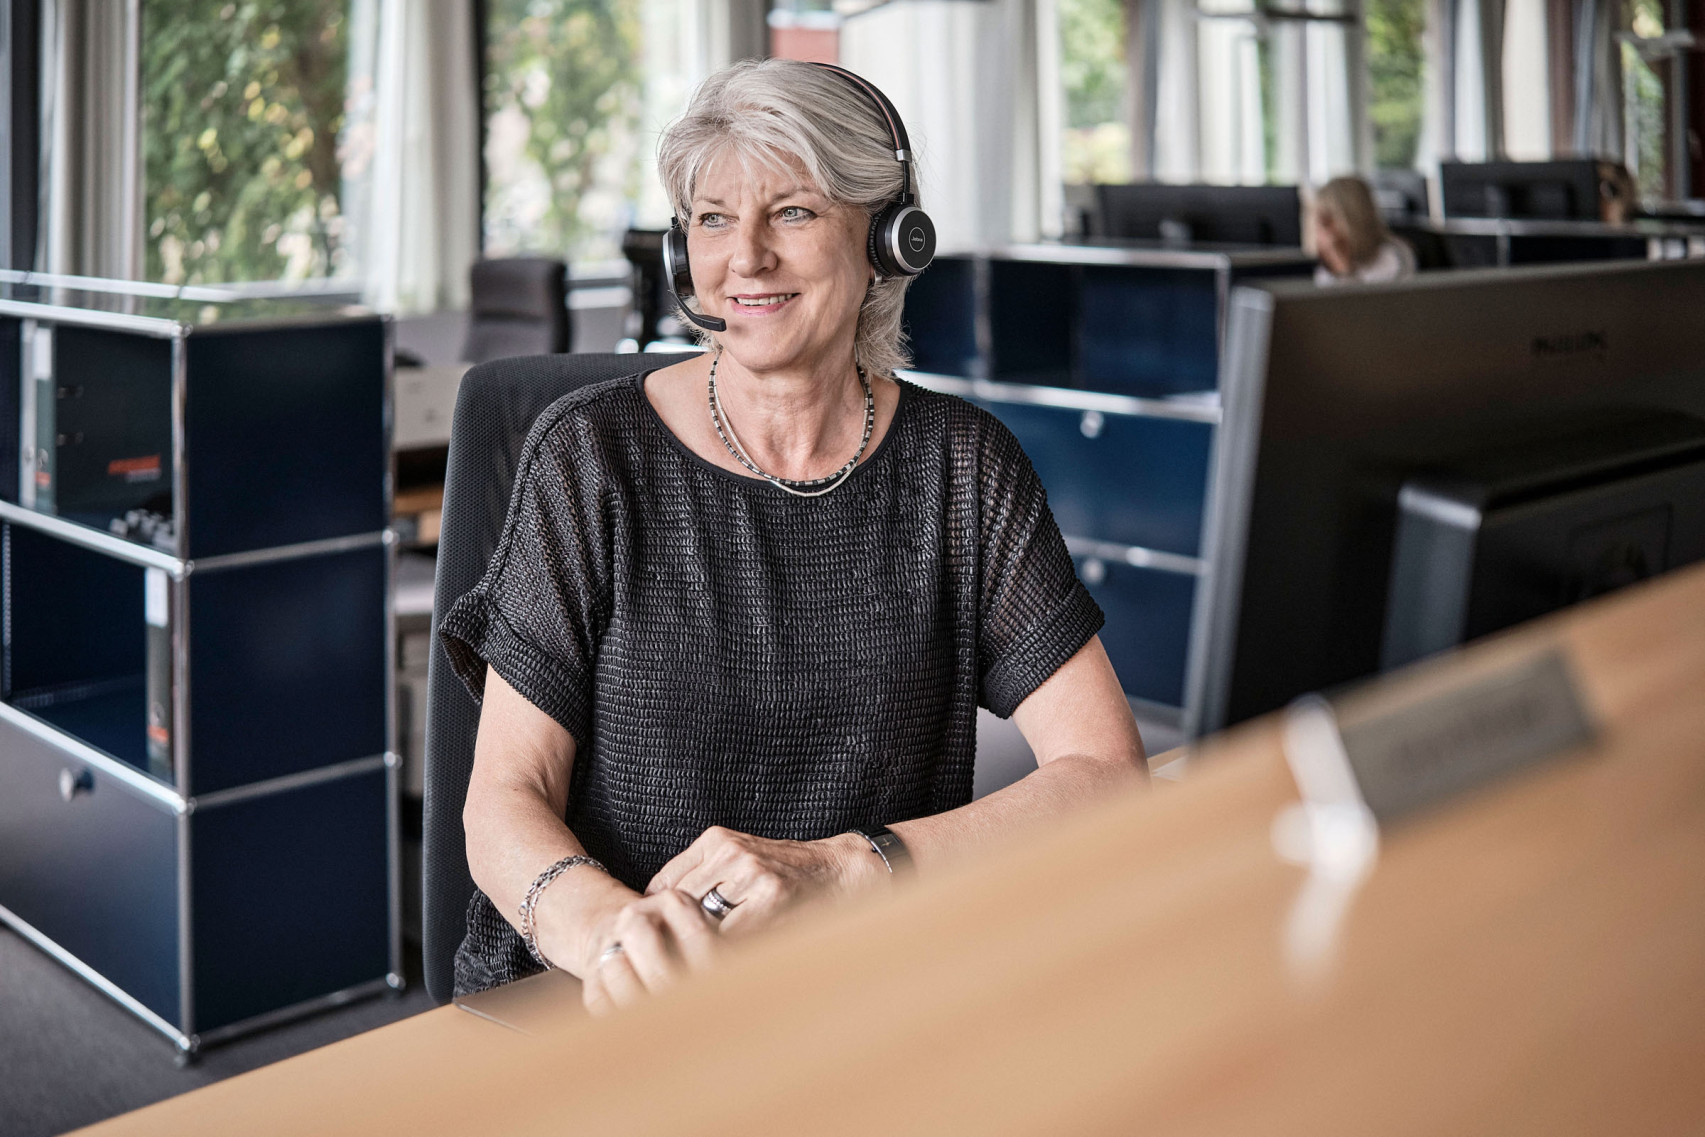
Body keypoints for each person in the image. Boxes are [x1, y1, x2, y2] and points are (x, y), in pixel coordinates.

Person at [441, 59, 1148, 1014]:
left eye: (795, 212)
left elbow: (1105, 772)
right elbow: (501, 800)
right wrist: (612, 931)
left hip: (859, 994)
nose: (746, 260)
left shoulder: (960, 467)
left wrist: (855, 867)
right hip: (603, 1009)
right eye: (713, 218)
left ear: (889, 239)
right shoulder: (592, 457)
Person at [1311, 175, 1416, 285]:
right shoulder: (1327, 266)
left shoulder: (1393, 256)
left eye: (1328, 218)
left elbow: (1368, 300)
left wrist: (1345, 269)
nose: (1320, 228)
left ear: (1351, 217)